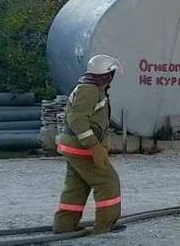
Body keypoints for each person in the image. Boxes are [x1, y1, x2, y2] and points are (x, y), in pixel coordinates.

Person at [53, 54, 123, 235]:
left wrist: (100, 141)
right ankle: (104, 227)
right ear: (107, 75)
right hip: (81, 146)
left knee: (76, 187)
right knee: (108, 182)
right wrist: (93, 145)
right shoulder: (89, 90)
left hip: (73, 145)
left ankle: (64, 226)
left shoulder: (89, 88)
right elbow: (77, 119)